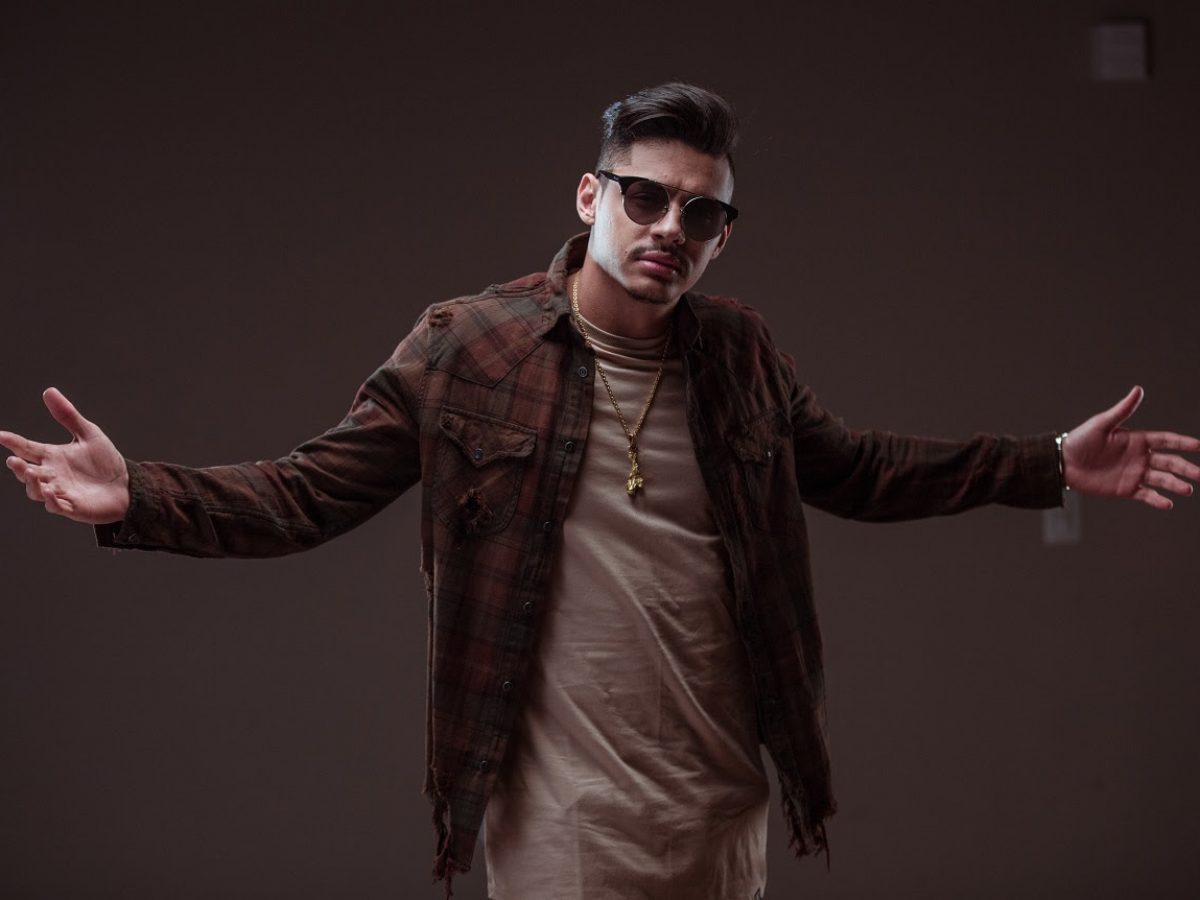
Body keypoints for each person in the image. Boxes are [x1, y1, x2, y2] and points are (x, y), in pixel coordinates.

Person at [2, 83, 1198, 900]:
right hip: (564, 819)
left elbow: (860, 470)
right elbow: (308, 491)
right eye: (646, 196)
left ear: (722, 236)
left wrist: (1052, 461)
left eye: (702, 212)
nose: (671, 226)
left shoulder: (739, 354)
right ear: (591, 197)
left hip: (723, 800)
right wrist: (137, 496)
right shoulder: (471, 346)